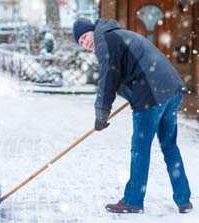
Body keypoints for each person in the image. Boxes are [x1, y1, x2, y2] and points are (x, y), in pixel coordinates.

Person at [72, 17, 192, 214]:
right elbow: (125, 71)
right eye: (81, 42)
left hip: (151, 94)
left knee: (140, 149)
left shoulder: (105, 40)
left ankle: (133, 201)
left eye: (85, 36)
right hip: (171, 89)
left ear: (92, 30)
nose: (85, 42)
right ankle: (183, 199)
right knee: (170, 146)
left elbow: (107, 79)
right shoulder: (117, 35)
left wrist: (101, 113)